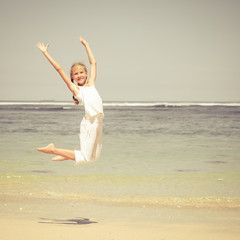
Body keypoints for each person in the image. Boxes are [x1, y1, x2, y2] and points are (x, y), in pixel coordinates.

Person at [36, 37, 104, 164]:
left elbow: (93, 63)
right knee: (86, 158)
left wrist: (86, 45)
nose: (80, 75)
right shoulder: (76, 89)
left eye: (82, 72)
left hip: (98, 123)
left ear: (86, 73)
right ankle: (53, 149)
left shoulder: (91, 83)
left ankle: (68, 155)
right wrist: (46, 53)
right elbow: (59, 69)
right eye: (76, 74)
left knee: (95, 157)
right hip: (89, 124)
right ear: (72, 77)